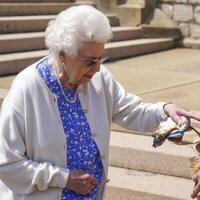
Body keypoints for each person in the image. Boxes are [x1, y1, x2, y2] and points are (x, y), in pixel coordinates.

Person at [0, 5, 200, 200]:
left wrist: (164, 110)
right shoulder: (28, 88)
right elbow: (6, 164)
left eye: (100, 58)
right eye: (89, 61)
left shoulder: (98, 78)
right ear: (62, 54)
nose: (96, 68)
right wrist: (64, 179)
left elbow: (131, 110)